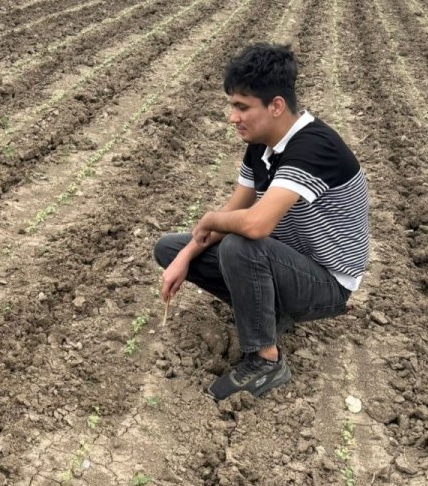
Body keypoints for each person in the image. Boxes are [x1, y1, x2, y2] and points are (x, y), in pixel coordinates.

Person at [155, 43, 369, 401]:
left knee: (242, 243)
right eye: (232, 105)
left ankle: (266, 361)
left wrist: (209, 218)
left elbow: (254, 226)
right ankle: (268, 312)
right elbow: (235, 208)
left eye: (242, 107)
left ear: (276, 106)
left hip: (328, 282)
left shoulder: (314, 147)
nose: (232, 117)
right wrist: (185, 256)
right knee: (170, 248)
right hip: (289, 262)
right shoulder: (260, 144)